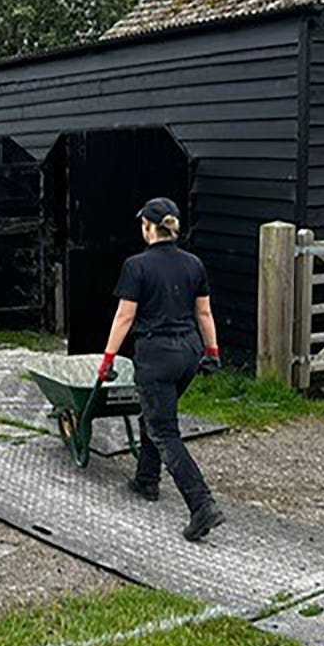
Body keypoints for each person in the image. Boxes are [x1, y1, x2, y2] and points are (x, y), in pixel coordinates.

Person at [98, 197, 225, 541]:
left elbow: (125, 317)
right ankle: (146, 479)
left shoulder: (136, 266)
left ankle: (202, 505)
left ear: (149, 228)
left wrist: (107, 359)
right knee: (153, 415)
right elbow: (204, 314)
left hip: (156, 355)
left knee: (164, 429)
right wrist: (212, 351)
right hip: (188, 354)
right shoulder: (194, 264)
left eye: (142, 224)